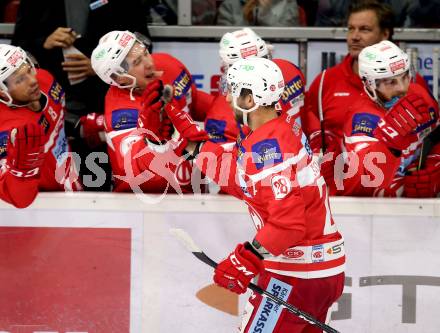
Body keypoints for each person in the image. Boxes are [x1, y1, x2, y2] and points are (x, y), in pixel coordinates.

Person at [169, 57, 345, 332]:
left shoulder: (268, 148)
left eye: (232, 90)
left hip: (295, 274)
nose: (226, 98)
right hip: (320, 270)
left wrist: (247, 258)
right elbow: (249, 186)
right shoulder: (280, 127)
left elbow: (288, 224)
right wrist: (199, 149)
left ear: (249, 99)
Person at [12, 0, 151, 190]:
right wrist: (43, 42)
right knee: (54, 195)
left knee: (107, 192)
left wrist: (102, 68)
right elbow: (18, 49)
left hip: (105, 107)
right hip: (54, 112)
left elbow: (143, 44)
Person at [303, 0, 428, 194]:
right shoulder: (325, 81)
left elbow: (430, 136)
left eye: (364, 29)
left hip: (400, 195)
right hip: (343, 195)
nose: (354, 37)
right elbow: (308, 131)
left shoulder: (414, 84)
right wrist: (318, 149)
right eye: (350, 29)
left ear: (385, 34)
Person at [91, 30, 212, 193]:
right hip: (147, 206)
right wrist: (153, 140)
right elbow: (137, 170)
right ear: (120, 78)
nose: (149, 63)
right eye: (138, 62)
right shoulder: (121, 114)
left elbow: (196, 102)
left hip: (195, 193)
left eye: (145, 53)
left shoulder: (167, 65)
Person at [341, 41, 439, 197]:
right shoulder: (362, 119)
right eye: (390, 82)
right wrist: (389, 142)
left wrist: (434, 171)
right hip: (377, 214)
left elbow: (436, 139)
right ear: (369, 83)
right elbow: (364, 184)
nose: (402, 88)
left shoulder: (420, 94)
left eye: (405, 77)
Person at [0, 45, 82, 208]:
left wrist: (80, 127)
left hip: (71, 180)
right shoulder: (8, 130)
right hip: (43, 205)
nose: (32, 81)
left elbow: (57, 119)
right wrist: (20, 173)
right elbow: (11, 193)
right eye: (19, 80)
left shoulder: (45, 79)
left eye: (29, 70)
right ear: (2, 92)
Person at [206, 28, 306, 145]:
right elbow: (307, 112)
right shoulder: (290, 69)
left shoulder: (223, 112)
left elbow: (220, 160)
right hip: (298, 149)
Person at [217, 0, 300, 26]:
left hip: (276, 54)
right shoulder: (230, 4)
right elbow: (221, 39)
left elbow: (289, 37)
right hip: (240, 56)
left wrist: (265, 13)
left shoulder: (288, 3)